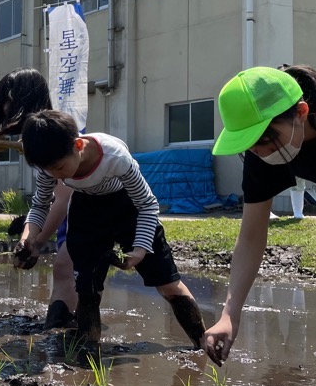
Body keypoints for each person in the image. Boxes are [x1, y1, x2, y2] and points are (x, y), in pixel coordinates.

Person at [14, 110, 206, 347]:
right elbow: (41, 205)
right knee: (87, 288)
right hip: (87, 207)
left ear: (78, 145)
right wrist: (28, 238)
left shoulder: (115, 158)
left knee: (166, 282)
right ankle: (88, 351)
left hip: (129, 205)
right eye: (49, 171)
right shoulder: (49, 166)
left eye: (60, 168)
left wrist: (140, 248)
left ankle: (203, 344)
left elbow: (147, 204)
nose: (56, 176)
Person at [203, 65, 316, 365]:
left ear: (301, 112)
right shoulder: (262, 158)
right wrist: (229, 314)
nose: (260, 152)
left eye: (265, 139)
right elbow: (251, 236)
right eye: (249, 144)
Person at [0, 67, 77, 329]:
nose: (2, 109)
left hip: (92, 209)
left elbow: (64, 198)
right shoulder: (32, 136)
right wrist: (27, 239)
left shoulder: (53, 131)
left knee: (65, 267)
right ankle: (64, 330)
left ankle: (67, 335)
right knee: (65, 269)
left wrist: (38, 242)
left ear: (22, 99)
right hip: (69, 214)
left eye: (6, 102)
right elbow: (42, 200)